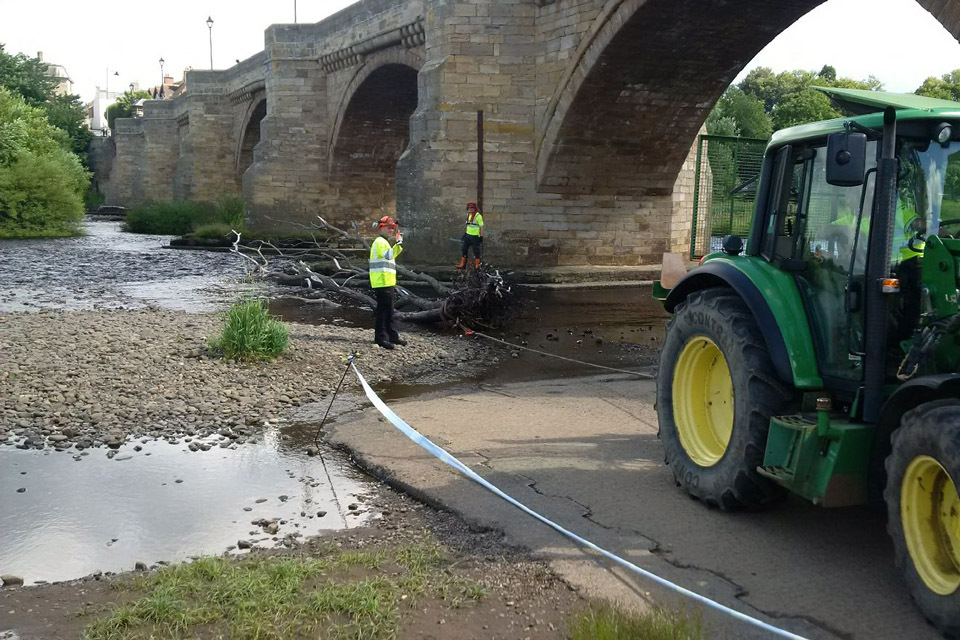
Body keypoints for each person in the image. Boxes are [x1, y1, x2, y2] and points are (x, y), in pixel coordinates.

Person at [369, 216, 407, 350]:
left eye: (393, 228)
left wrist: (398, 244)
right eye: (389, 228)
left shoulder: (383, 242)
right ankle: (381, 338)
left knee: (389, 310)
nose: (391, 230)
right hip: (382, 281)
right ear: (381, 228)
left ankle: (392, 336)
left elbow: (391, 255)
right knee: (383, 311)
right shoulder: (380, 242)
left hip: (386, 281)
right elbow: (389, 256)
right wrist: (398, 243)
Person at [455, 201, 484, 269]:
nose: (470, 209)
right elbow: (469, 226)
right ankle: (462, 264)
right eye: (469, 208)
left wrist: (481, 236)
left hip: (475, 236)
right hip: (468, 236)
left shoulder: (478, 216)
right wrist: (465, 234)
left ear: (475, 208)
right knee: (464, 249)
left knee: (476, 251)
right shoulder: (469, 215)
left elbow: (482, 226)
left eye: (472, 208)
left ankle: (477, 265)